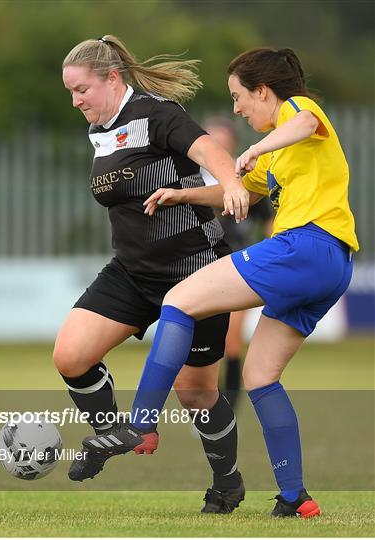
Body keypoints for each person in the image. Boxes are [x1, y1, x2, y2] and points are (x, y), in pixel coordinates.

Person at [85, 47, 359, 518]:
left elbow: (305, 124)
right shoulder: (276, 159)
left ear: (262, 91)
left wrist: (253, 148)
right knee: (259, 377)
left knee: (179, 299)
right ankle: (296, 498)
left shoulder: (298, 112)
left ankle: (140, 424)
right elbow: (240, 193)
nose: (235, 108)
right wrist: (183, 193)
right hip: (332, 266)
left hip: (305, 246)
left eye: (239, 97)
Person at [56, 34, 249, 514]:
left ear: (112, 78)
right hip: (133, 272)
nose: (76, 101)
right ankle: (112, 433)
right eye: (71, 93)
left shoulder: (155, 113)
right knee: (70, 355)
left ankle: (227, 483)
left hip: (195, 273)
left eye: (82, 90)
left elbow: (209, 152)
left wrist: (231, 185)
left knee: (196, 392)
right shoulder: (101, 128)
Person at [201, 116, 274, 409]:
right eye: (211, 139)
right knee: (201, 345)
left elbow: (270, 221)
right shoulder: (190, 178)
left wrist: (275, 252)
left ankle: (228, 408)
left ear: (232, 144)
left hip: (237, 267)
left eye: (223, 139)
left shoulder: (242, 178)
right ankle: (206, 404)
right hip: (200, 268)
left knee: (231, 343)